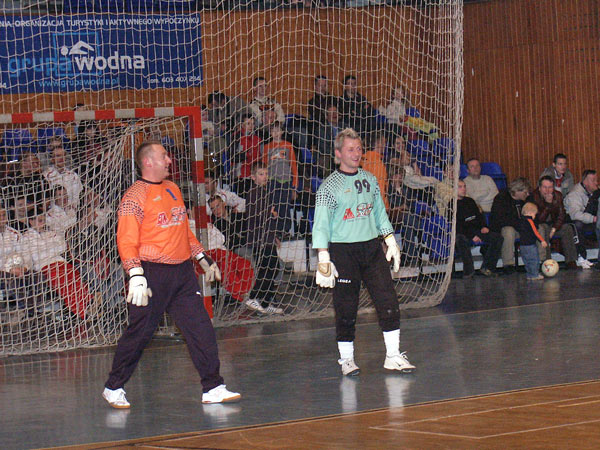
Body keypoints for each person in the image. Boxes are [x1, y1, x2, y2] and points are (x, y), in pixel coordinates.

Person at [102, 140, 240, 409]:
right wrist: (135, 274)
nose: (169, 160)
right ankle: (114, 386)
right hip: (151, 274)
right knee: (140, 332)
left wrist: (201, 257)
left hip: (182, 275)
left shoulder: (174, 189)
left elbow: (184, 230)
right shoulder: (134, 197)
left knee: (201, 328)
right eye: (164, 156)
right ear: (148, 162)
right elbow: (126, 240)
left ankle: (213, 386)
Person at [312, 128, 415, 376]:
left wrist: (390, 240)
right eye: (350, 149)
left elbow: (379, 213)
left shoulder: (370, 179)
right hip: (343, 252)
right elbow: (321, 224)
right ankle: (346, 359)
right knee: (346, 306)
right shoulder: (328, 187)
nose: (356, 153)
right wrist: (323, 257)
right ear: (338, 154)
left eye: (359, 148)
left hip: (371, 248)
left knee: (388, 300)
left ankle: (393, 355)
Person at [243, 163, 285, 315]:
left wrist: (274, 237)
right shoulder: (254, 193)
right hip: (259, 239)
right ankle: (253, 297)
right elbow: (255, 216)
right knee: (267, 269)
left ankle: (265, 303)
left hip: (266, 237)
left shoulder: (263, 191)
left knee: (272, 268)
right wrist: (271, 214)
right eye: (261, 174)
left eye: (266, 173)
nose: (265, 176)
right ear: (253, 177)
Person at [455, 179, 503, 277]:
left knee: (498, 237)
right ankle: (469, 271)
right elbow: (457, 225)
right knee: (461, 239)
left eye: (464, 186)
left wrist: (483, 226)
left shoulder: (470, 201)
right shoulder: (452, 205)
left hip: (477, 229)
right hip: (464, 232)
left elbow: (479, 216)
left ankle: (487, 267)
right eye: (460, 187)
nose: (463, 189)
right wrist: (472, 236)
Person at [528, 176, 577, 269]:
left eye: (550, 187)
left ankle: (571, 260)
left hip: (554, 225)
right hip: (540, 224)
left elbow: (561, 215)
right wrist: (548, 205)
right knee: (542, 228)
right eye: (544, 187)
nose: (547, 190)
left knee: (567, 228)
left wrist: (554, 229)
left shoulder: (557, 195)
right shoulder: (534, 197)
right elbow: (538, 219)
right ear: (539, 188)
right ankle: (547, 261)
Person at [489, 177, 531, 274]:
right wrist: (520, 224)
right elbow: (501, 220)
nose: (528, 194)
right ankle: (508, 264)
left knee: (539, 228)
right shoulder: (501, 198)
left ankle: (540, 261)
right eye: (525, 192)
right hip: (506, 229)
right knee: (508, 230)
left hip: (522, 228)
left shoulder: (527, 199)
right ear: (517, 191)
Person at [564, 169, 598, 268]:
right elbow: (575, 215)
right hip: (574, 223)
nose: (596, 183)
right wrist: (594, 219)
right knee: (578, 225)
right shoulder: (574, 194)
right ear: (585, 182)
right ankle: (581, 256)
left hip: (588, 220)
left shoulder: (594, 193)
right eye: (593, 180)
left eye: (597, 180)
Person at [337, 75, 377, 139]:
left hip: (364, 124)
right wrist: (361, 111)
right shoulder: (341, 100)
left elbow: (370, 110)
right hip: (350, 126)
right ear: (345, 86)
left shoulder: (362, 98)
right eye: (350, 84)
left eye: (354, 84)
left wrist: (357, 112)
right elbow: (346, 116)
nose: (353, 86)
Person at [517, 202, 548, 281]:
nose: (535, 216)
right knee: (534, 260)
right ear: (530, 213)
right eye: (535, 214)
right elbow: (535, 232)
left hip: (522, 245)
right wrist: (542, 240)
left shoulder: (520, 220)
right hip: (530, 245)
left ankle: (529, 274)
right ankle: (534, 274)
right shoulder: (530, 221)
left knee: (526, 260)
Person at [361, 133, 389, 210]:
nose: (385, 145)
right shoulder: (376, 163)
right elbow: (380, 187)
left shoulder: (363, 159)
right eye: (384, 142)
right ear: (379, 143)